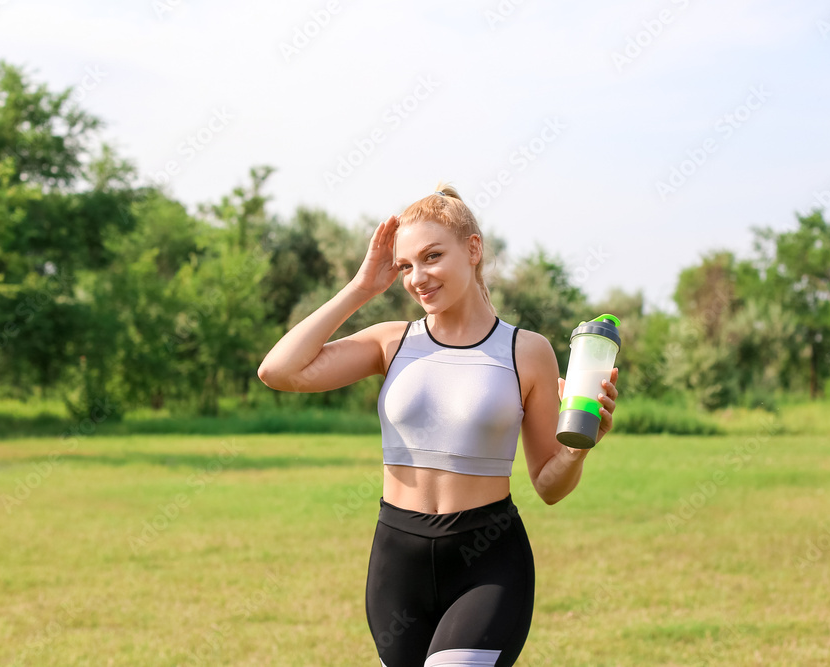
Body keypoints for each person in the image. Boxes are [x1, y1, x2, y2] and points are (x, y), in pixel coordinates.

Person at [257, 184, 619, 667]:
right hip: (396, 563)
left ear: (473, 250)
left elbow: (549, 486)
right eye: (406, 266)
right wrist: (362, 286)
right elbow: (278, 371)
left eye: (431, 257)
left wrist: (576, 450)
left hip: (487, 562)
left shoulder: (525, 351)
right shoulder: (391, 342)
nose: (417, 278)